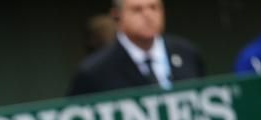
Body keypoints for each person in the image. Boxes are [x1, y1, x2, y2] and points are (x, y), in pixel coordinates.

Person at [68, 0, 204, 96]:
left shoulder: (186, 53)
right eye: (137, 9)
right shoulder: (94, 71)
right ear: (117, 16)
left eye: (153, 7)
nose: (148, 15)